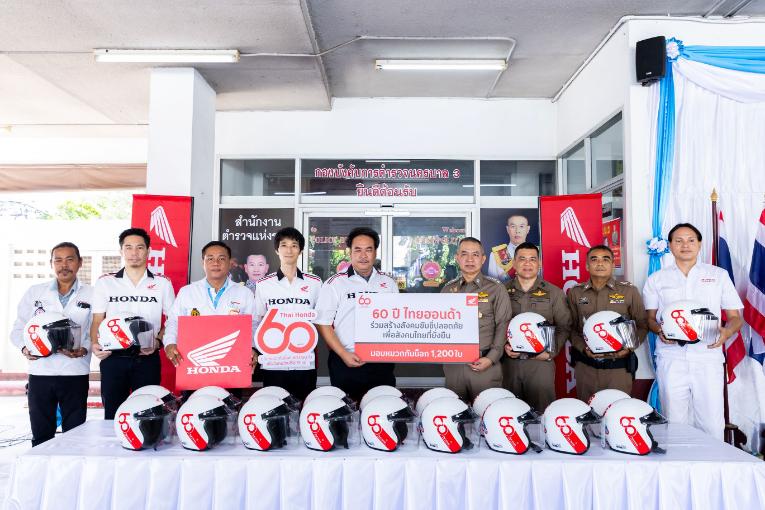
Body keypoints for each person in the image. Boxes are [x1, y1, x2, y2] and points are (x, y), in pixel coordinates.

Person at [643, 223, 743, 440]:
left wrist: (726, 333)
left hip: (708, 355)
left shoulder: (718, 275)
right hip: (671, 357)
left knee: (711, 421)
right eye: (678, 241)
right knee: (675, 421)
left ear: (699, 244)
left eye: (690, 240)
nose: (685, 245)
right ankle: (679, 461)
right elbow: (649, 319)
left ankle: (712, 460)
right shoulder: (657, 279)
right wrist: (659, 330)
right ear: (670, 246)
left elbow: (736, 318)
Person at [10, 242, 93, 446]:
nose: (64, 265)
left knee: (75, 437)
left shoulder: (92, 294)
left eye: (70, 259)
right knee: (41, 436)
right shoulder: (35, 292)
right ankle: (40, 467)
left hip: (75, 373)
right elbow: (18, 330)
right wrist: (25, 348)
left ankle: (72, 467)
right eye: (58, 260)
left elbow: (95, 332)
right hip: (40, 373)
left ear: (80, 262)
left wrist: (84, 348)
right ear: (51, 263)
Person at [90, 228, 175, 420]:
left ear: (148, 251)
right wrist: (95, 344)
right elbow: (97, 320)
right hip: (113, 358)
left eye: (139, 247)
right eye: (128, 247)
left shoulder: (162, 283)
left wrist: (158, 342)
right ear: (121, 251)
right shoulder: (106, 282)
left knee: (147, 414)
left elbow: (172, 320)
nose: (134, 253)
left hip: (147, 357)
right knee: (113, 415)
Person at [315, 227, 398, 402]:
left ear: (375, 252)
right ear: (350, 253)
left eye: (368, 249)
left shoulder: (388, 283)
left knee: (383, 407)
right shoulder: (335, 283)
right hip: (346, 360)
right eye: (357, 250)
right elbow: (323, 323)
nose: (363, 255)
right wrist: (343, 354)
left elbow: (397, 319)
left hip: (381, 360)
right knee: (347, 409)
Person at [164, 241, 258, 376]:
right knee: (196, 391)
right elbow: (173, 321)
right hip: (194, 366)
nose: (216, 263)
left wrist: (252, 348)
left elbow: (253, 325)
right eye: (210, 259)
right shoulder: (187, 292)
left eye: (221, 258)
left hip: (233, 365)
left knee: (230, 390)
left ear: (230, 263)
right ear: (203, 263)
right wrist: (170, 343)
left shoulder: (244, 293)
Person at [567, 245, 647, 401]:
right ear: (587, 265)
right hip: (586, 367)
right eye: (594, 259)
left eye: (605, 259)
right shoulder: (576, 292)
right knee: (588, 411)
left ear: (613, 264)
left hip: (618, 367)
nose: (600, 263)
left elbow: (642, 324)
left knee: (617, 410)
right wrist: (583, 348)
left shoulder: (628, 291)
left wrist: (629, 348)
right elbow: (571, 328)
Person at [254, 228, 322, 401]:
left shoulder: (315, 283)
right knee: (275, 406)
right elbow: (258, 320)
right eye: (284, 245)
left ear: (301, 250)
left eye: (294, 245)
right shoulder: (263, 284)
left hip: (305, 360)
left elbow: (322, 320)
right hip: (273, 361)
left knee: (304, 404)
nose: (289, 250)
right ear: (277, 250)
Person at [503, 242, 571, 412]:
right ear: (514, 263)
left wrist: (550, 353)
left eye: (532, 259)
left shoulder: (554, 293)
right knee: (509, 412)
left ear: (539, 263)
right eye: (522, 259)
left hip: (540, 364)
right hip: (509, 363)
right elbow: (496, 324)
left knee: (541, 412)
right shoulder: (502, 291)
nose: (527, 263)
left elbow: (564, 326)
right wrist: (503, 346)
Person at [441, 237, 511, 402]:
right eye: (464, 254)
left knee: (486, 412)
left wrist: (491, 358)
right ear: (457, 258)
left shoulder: (496, 288)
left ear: (483, 259)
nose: (470, 259)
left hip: (485, 364)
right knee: (455, 412)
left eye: (475, 254)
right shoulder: (447, 290)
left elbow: (503, 324)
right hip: (454, 366)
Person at [488, 214, 531, 282]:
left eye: (521, 226)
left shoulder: (538, 253)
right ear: (507, 229)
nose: (517, 231)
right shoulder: (495, 255)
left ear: (528, 229)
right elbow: (492, 284)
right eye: (513, 226)